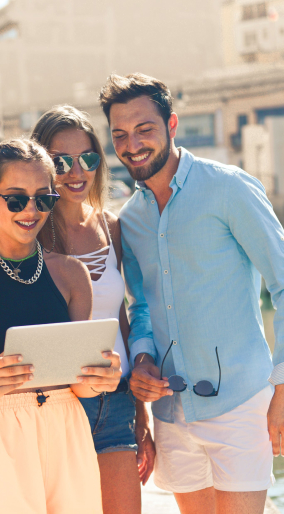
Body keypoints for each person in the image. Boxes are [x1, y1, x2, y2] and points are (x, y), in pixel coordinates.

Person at [99, 72, 284, 514]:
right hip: (171, 413)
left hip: (239, 403)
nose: (132, 145)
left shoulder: (228, 188)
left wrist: (283, 387)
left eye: (145, 129)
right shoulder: (131, 219)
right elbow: (139, 306)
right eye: (120, 134)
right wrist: (141, 356)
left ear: (172, 125)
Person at [0, 138, 122, 514]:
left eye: (43, 198)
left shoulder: (71, 274)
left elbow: (80, 387)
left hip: (67, 427)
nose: (30, 210)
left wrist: (101, 377)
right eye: (16, 199)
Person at [31, 104, 155, 514]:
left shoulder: (110, 226)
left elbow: (120, 318)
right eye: (60, 161)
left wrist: (141, 413)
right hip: (57, 404)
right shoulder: (28, 235)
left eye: (86, 158)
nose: (75, 171)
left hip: (116, 398)